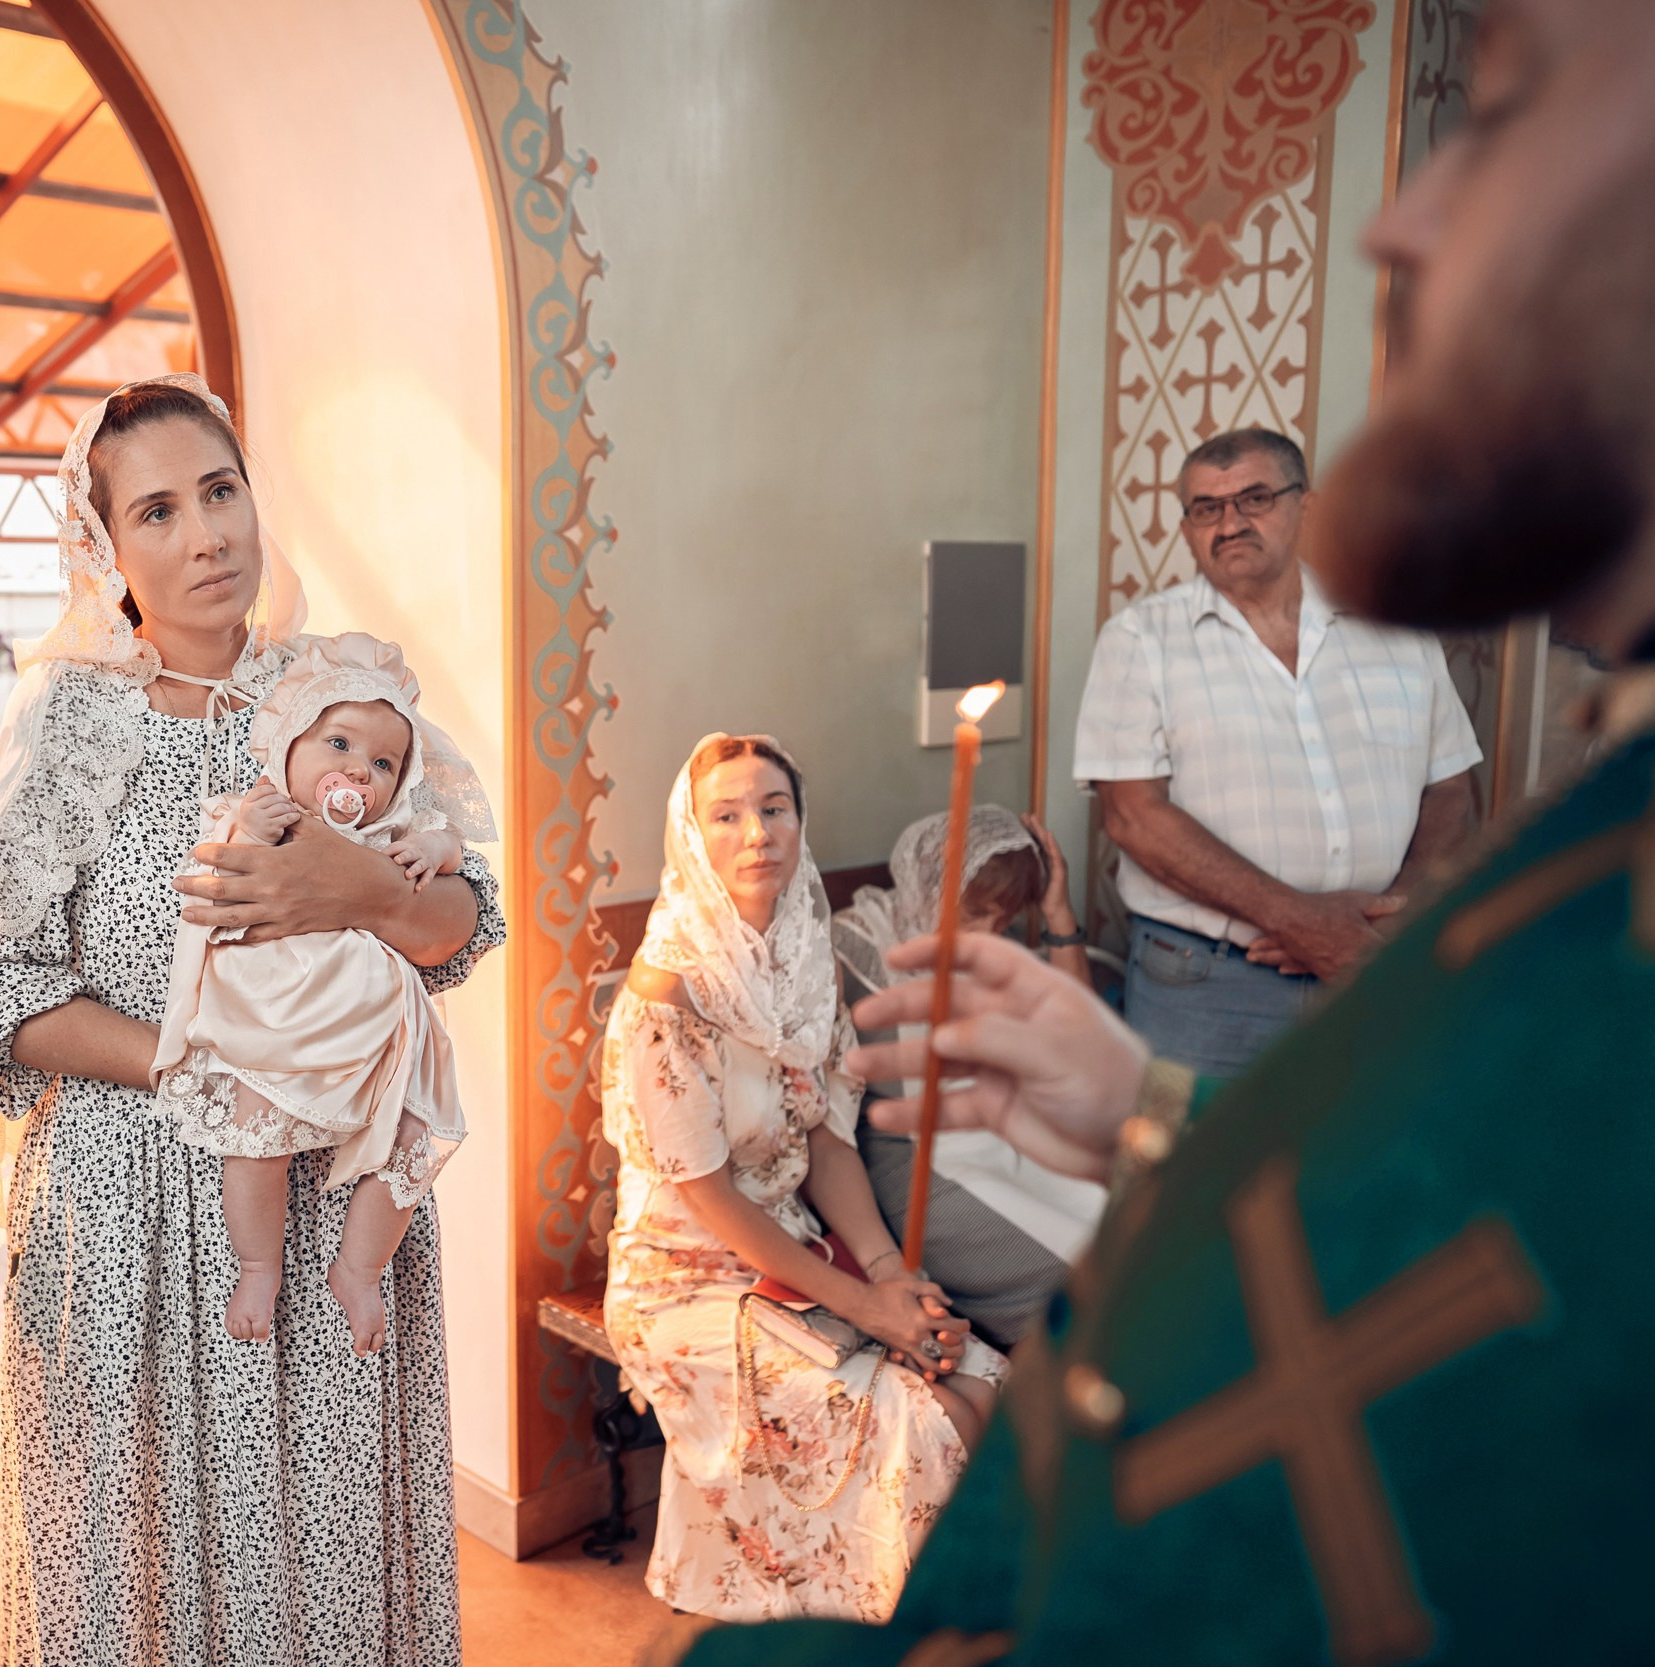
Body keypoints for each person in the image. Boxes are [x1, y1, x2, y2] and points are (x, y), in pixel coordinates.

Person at [686, 1, 1655, 1660]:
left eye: (1504, 111)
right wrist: (1151, 1108)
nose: (1397, 219)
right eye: (1198, 511)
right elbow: (1400, 1214)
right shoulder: (1571, 863)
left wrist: (1385, 925)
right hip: (1225, 975)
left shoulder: (1522, 823)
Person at [0, 375, 503, 1666]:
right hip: (131, 1206)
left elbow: (465, 926)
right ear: (106, 547)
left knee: (326, 1558)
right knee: (146, 1571)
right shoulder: (71, 720)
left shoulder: (337, 694)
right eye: (159, 510)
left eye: (220, 491)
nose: (206, 536)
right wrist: (203, 1059)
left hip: (332, 1202)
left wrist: (360, 890)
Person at [601, 733, 1004, 1625]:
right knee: (914, 1422)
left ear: (799, 821)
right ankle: (870, 1633)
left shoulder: (805, 959)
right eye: (728, 814)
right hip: (686, 1275)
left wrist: (891, 1272)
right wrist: (866, 1306)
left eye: (774, 808)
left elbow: (827, 1139)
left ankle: (949, 1621)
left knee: (977, 1377)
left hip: (798, 1252)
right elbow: (708, 1198)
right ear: (692, 836)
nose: (756, 834)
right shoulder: (665, 998)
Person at [1072, 426, 1482, 1075]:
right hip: (1206, 986)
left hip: (1382, 967)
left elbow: (1452, 786)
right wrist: (1301, 922)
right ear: (1187, 528)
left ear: (1304, 507)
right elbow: (1133, 818)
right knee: (1196, 1172)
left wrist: (1393, 917)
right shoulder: (1139, 640)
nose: (1229, 522)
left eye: (1254, 498)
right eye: (1206, 507)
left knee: (1362, 1165)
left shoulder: (1394, 625)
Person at [150, 631, 494, 1354]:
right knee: (256, 1146)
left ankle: (360, 1268)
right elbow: (214, 887)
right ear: (287, 746)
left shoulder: (392, 830)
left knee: (413, 1141)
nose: (357, 773)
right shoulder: (259, 812)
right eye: (337, 744)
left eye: (382, 763)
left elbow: (452, 852)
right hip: (285, 1026)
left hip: (379, 1039)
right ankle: (258, 1264)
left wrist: (432, 851)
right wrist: (247, 827)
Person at [832, 808, 1105, 1351]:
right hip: (921, 1171)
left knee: (1135, 1231)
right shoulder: (851, 947)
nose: (988, 934)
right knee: (1080, 1276)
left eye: (1001, 920)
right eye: (976, 912)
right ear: (931, 882)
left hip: (1004, 1142)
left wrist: (1057, 912)